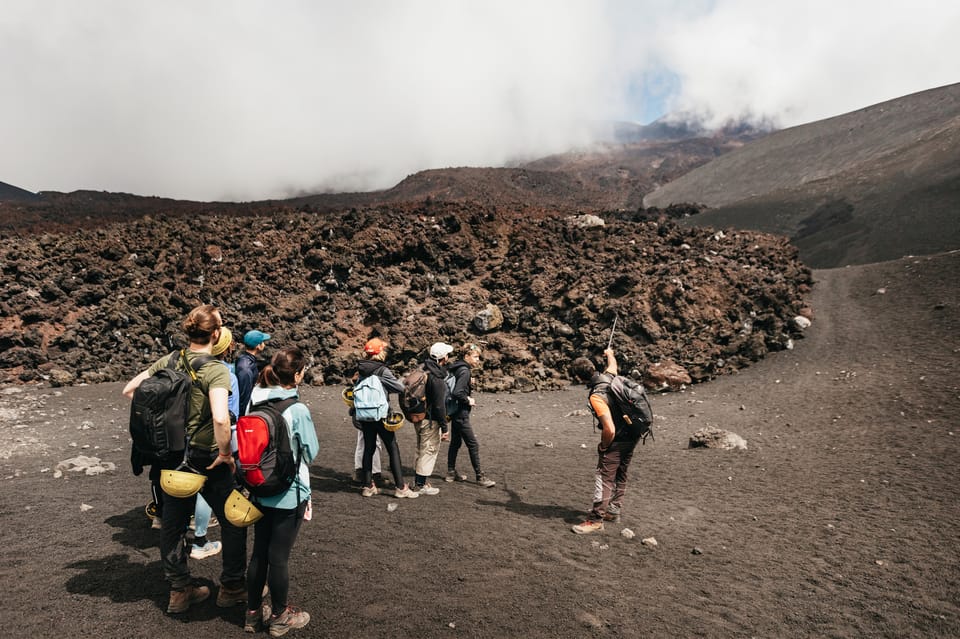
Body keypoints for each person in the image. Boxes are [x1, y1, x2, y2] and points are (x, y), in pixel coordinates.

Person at [122, 304, 247, 614]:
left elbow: (130, 390)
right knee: (234, 518)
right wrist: (226, 454)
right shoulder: (215, 368)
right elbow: (221, 418)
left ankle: (179, 590)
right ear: (216, 334)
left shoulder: (171, 360)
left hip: (171, 458)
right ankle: (232, 586)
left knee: (173, 525)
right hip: (206, 458)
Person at [244, 347, 317, 635]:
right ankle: (279, 615)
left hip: (259, 487)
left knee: (259, 553)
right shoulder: (297, 409)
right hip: (290, 491)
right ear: (297, 375)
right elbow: (311, 453)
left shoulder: (255, 403)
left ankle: (251, 613)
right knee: (279, 557)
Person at [569, 348, 641, 534]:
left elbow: (609, 428)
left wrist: (603, 446)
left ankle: (595, 520)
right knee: (621, 473)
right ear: (593, 368)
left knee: (604, 477)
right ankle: (614, 511)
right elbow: (613, 365)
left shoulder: (596, 396)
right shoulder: (609, 376)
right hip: (632, 434)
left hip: (617, 439)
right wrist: (609, 354)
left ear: (578, 378)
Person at [190, 326, 241, 560]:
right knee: (214, 493)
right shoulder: (224, 373)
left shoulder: (189, 367)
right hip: (215, 441)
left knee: (195, 490)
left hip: (188, 440)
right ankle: (200, 541)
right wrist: (226, 451)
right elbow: (226, 414)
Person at [354, 338, 419, 499]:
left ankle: (368, 486)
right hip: (381, 415)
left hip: (364, 415)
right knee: (393, 449)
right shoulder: (382, 370)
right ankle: (401, 487)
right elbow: (399, 388)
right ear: (380, 353)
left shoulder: (361, 368)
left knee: (368, 449)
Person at [445, 343, 495, 488]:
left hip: (454, 411)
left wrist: (468, 384)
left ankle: (450, 472)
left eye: (478, 357)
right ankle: (480, 477)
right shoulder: (465, 371)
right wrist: (468, 399)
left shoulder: (457, 367)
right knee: (473, 444)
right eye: (475, 357)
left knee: (455, 442)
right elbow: (457, 392)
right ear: (466, 356)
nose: (477, 360)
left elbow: (456, 386)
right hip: (461, 412)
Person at [411, 342, 453, 495]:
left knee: (421, 448)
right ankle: (420, 485)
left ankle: (418, 481)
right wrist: (445, 428)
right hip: (430, 421)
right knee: (428, 450)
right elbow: (439, 406)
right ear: (443, 358)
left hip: (418, 417)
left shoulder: (423, 369)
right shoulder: (437, 379)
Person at [237, 329, 271, 417]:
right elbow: (244, 396)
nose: (265, 344)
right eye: (263, 342)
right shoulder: (246, 369)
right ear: (258, 346)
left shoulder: (245, 358)